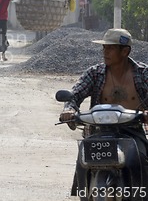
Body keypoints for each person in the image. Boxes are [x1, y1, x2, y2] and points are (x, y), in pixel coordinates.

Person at [59, 28, 148, 195]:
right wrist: (69, 110)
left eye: (111, 48)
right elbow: (75, 93)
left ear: (125, 51)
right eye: (104, 48)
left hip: (132, 133)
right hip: (99, 132)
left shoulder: (143, 74)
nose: (105, 52)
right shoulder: (95, 73)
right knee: (83, 161)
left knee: (142, 160)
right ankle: (84, 195)